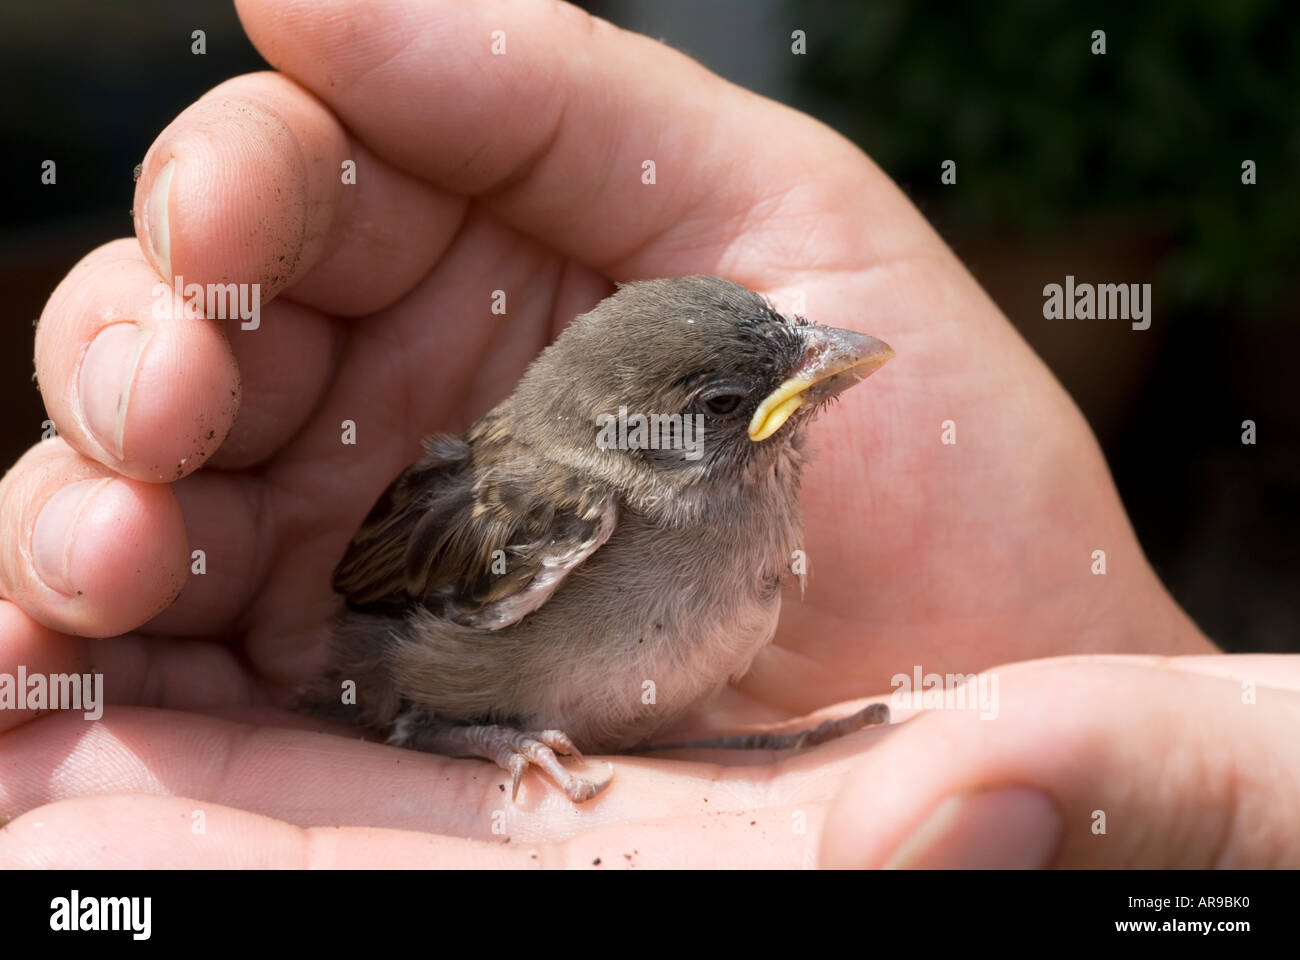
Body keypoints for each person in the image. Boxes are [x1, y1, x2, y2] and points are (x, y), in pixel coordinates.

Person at [0, 0, 1289, 867]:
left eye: (794, 357)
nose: (823, 378)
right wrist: (484, 731)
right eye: (733, 408)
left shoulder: (756, 512)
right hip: (408, 687)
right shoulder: (545, 506)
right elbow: (372, 619)